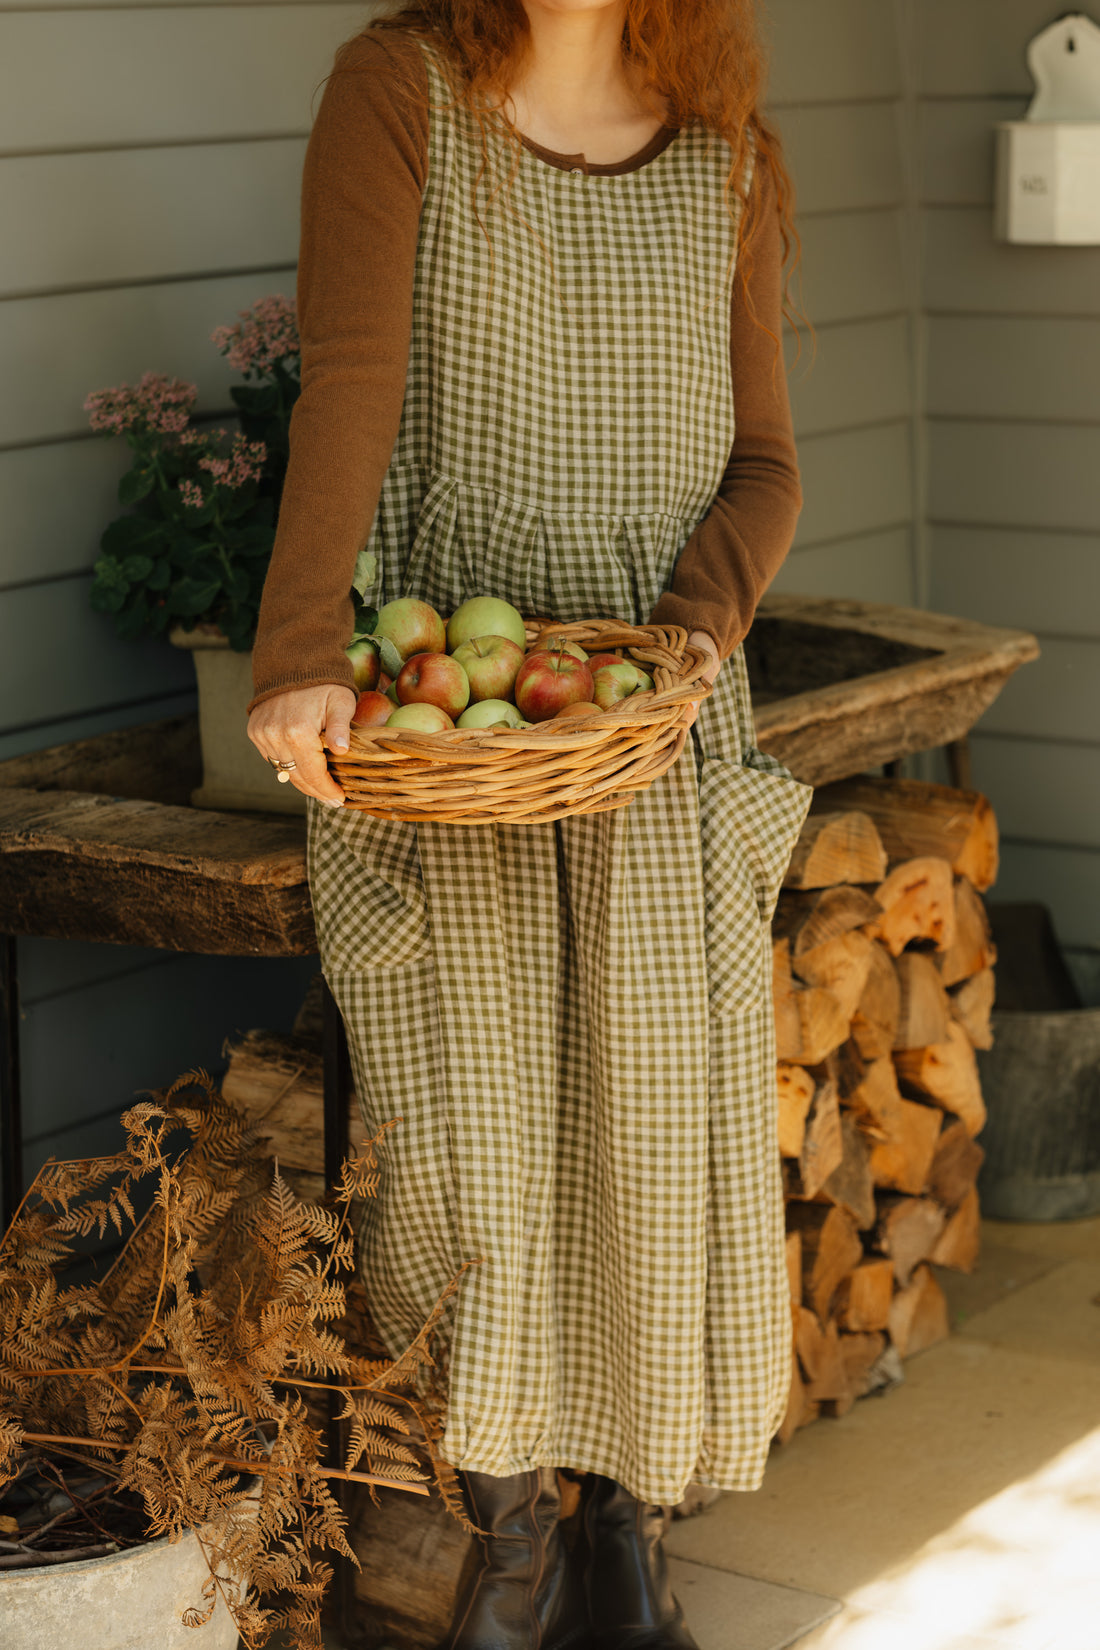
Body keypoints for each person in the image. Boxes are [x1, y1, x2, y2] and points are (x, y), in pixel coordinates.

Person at [246, 2, 813, 1644]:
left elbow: (766, 464)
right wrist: (297, 656)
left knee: (652, 1136)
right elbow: (349, 376)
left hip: (652, 743)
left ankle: (621, 1544)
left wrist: (686, 640)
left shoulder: (731, 161)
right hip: (453, 734)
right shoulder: (398, 91)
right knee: (469, 1166)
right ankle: (504, 1545)